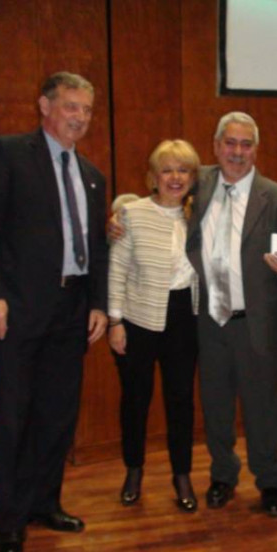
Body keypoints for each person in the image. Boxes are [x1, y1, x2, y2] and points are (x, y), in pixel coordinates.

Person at [0, 72, 109, 552]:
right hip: (20, 309)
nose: (80, 117)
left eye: (87, 110)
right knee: (13, 418)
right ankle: (9, 520)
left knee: (56, 415)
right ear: (44, 106)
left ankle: (44, 502)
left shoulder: (92, 174)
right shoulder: (8, 154)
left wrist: (99, 304)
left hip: (72, 311)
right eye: (71, 106)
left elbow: (97, 249)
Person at [185, 111, 277, 517]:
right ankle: (223, 475)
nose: (237, 152)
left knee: (263, 409)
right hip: (208, 320)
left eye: (246, 144)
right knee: (215, 404)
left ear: (256, 150)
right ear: (216, 146)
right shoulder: (196, 183)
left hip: (256, 323)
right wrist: (121, 215)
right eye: (230, 143)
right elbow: (155, 198)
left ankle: (270, 480)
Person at [107, 140, 200, 513]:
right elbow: (117, 270)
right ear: (153, 176)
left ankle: (182, 475)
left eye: (184, 170)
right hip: (138, 319)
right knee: (135, 400)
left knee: (181, 401)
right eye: (167, 170)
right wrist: (115, 321)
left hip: (184, 318)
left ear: (193, 178)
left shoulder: (200, 214)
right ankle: (134, 470)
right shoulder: (131, 213)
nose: (175, 177)